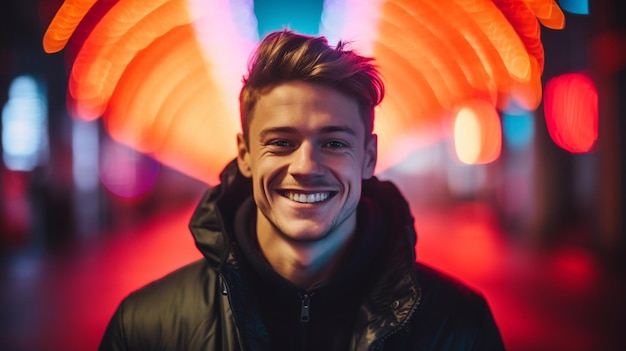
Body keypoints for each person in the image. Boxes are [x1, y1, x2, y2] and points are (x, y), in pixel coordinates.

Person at [99, 30, 505, 351]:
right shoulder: (145, 326)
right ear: (245, 155)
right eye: (281, 142)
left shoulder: (458, 325)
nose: (306, 167)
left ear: (368, 157)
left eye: (333, 143)